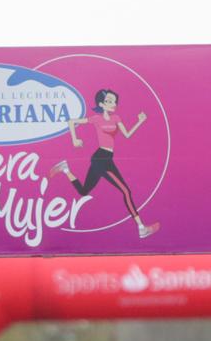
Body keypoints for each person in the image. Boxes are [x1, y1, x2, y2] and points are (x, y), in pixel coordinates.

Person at [53, 87, 158, 238]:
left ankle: (65, 169)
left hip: (104, 158)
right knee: (126, 191)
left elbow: (127, 135)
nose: (112, 104)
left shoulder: (116, 118)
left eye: (114, 101)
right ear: (101, 104)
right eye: (109, 101)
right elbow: (72, 121)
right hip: (101, 158)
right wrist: (74, 139)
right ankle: (141, 228)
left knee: (83, 191)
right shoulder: (96, 118)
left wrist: (139, 121)